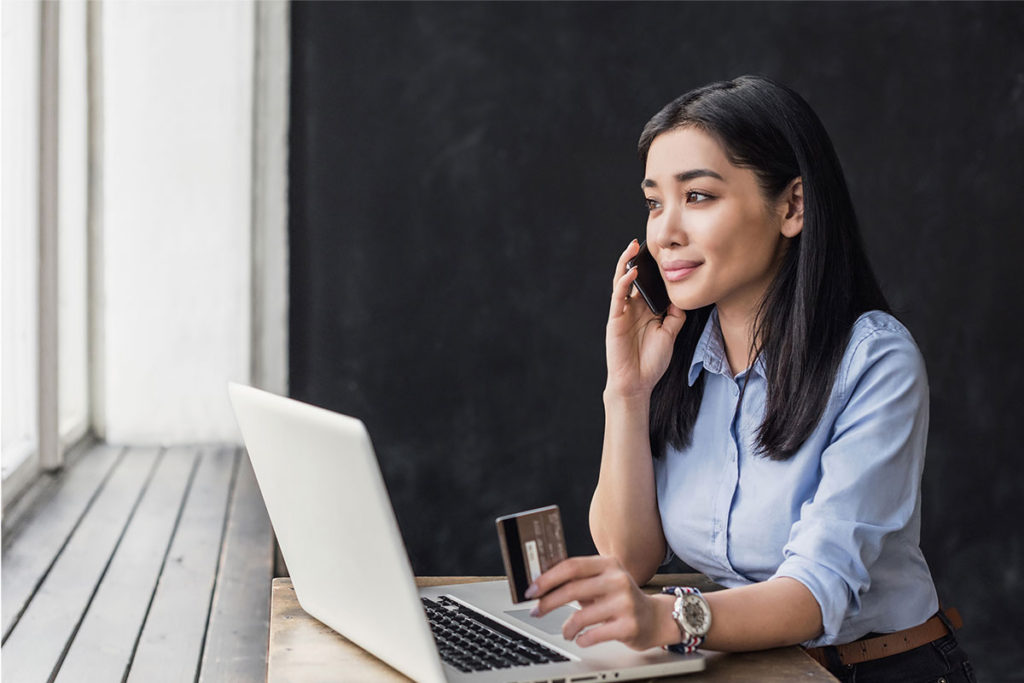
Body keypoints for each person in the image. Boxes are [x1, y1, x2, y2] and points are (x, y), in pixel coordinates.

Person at [525, 75, 975, 683]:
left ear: (792, 207)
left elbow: (815, 594)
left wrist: (665, 620)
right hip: (750, 667)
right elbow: (628, 559)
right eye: (655, 202)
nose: (665, 232)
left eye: (700, 197)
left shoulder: (874, 359)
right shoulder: (680, 357)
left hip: (875, 669)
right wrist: (627, 394)